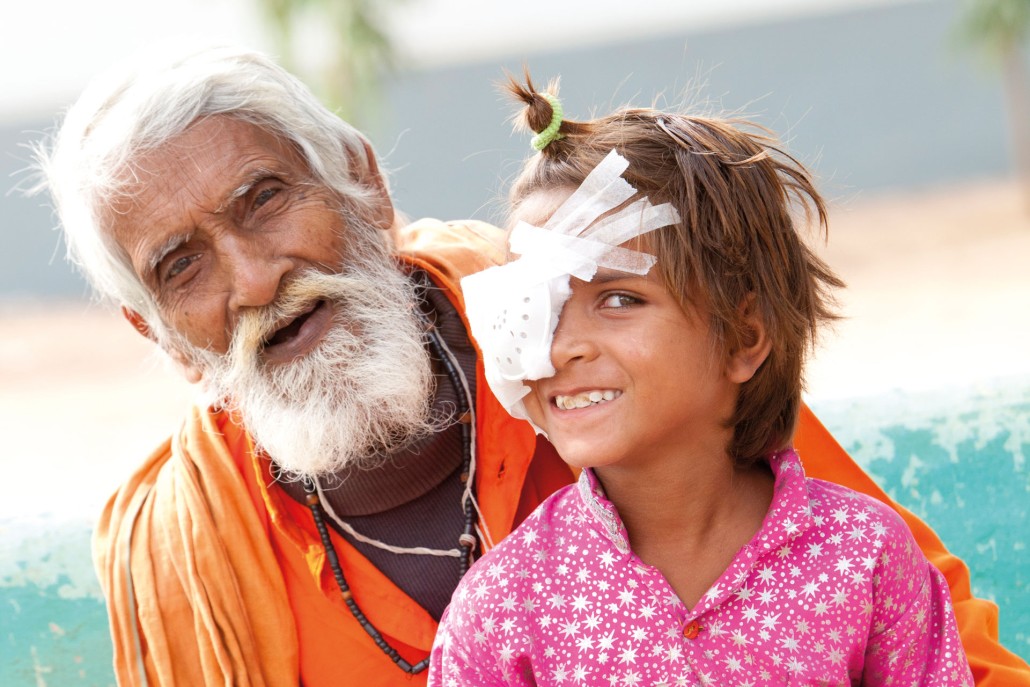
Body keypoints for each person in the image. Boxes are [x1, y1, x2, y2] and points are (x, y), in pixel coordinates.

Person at [32, 46, 1025, 686]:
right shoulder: (180, 557)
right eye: (183, 264)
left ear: (365, 185)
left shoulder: (624, 351)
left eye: (263, 200)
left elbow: (944, 655)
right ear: (156, 333)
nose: (256, 280)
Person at [429, 77, 1029, 686]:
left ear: (744, 338)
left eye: (617, 298)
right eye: (536, 309)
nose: (562, 345)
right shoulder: (501, 609)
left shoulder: (863, 559)